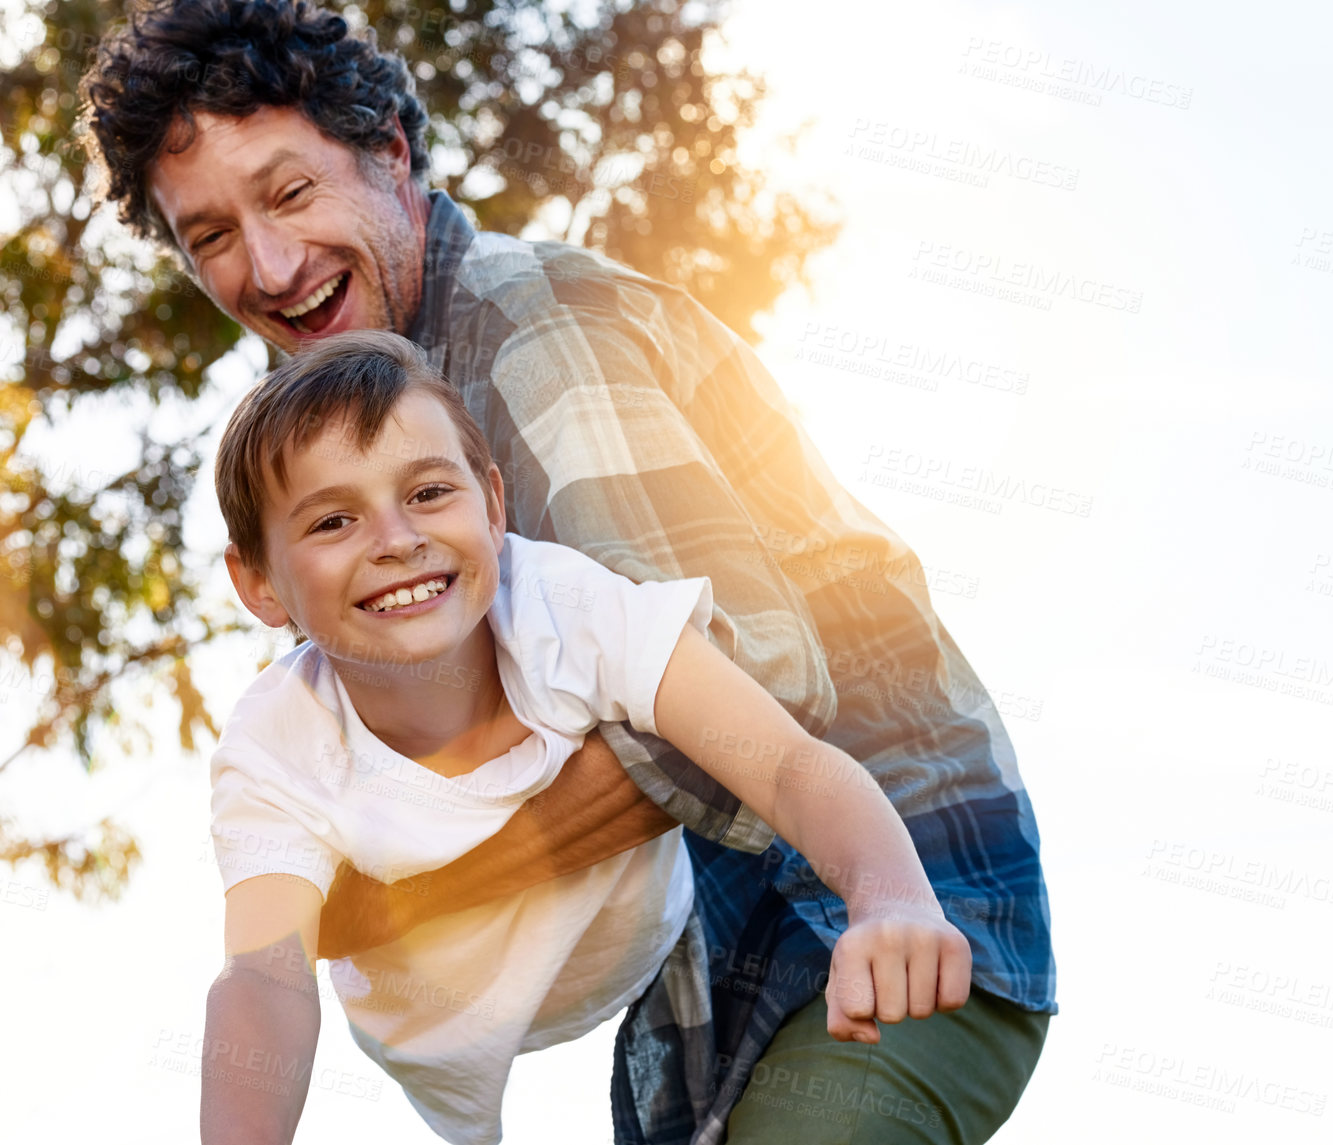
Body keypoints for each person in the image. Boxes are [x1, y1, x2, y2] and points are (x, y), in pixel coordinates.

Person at [82, 2, 1055, 1141]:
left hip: (878, 916)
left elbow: (752, 677)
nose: (271, 265)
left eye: (291, 193)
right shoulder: (372, 455)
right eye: (211, 236)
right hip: (711, 1008)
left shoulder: (522, 329)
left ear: (391, 153)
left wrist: (419, 889)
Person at [203, 328, 972, 1145]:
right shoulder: (274, 743)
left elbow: (785, 764)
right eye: (332, 521)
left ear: (494, 506)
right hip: (439, 1020)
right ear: (258, 583)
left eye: (429, 494)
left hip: (648, 927)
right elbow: (264, 974)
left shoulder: (560, 605)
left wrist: (889, 896)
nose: (396, 539)